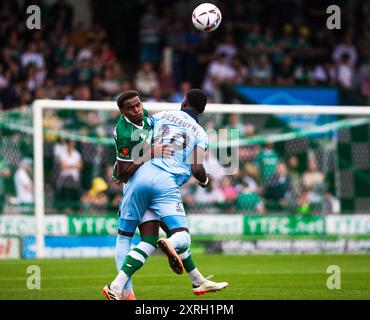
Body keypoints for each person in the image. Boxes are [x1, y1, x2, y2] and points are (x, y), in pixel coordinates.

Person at [103, 89, 228, 300]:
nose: (136, 109)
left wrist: (119, 168)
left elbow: (140, 141)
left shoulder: (160, 116)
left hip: (138, 178)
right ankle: (172, 246)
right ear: (203, 110)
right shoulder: (200, 133)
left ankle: (122, 289)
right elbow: (197, 169)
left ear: (184, 100)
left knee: (136, 237)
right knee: (181, 236)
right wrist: (205, 181)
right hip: (164, 184)